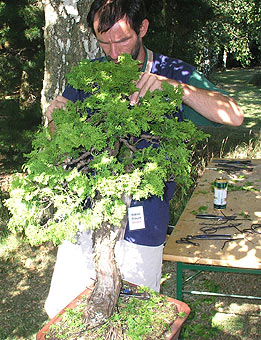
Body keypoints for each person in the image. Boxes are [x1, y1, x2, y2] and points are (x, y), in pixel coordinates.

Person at [44, 0, 244, 318]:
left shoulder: (171, 71)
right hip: (86, 213)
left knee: (135, 314)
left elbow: (234, 115)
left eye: (122, 40)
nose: (113, 52)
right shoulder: (90, 75)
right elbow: (58, 126)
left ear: (143, 29)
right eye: (104, 41)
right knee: (65, 311)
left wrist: (174, 88)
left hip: (144, 218)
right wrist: (55, 119)